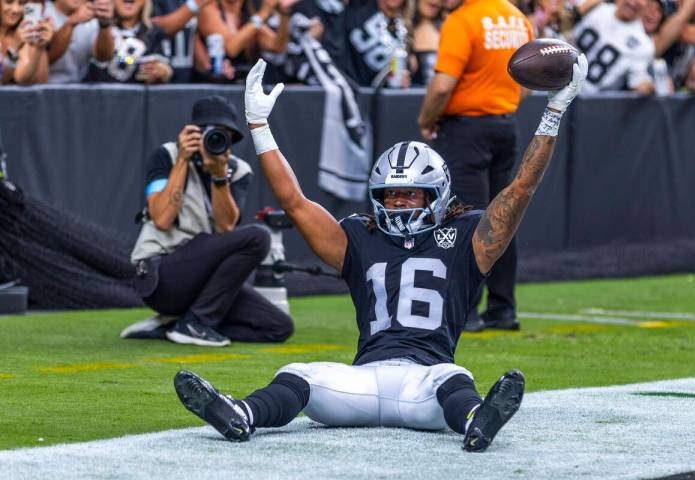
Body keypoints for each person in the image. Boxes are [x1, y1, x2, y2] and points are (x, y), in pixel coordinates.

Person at [173, 56, 587, 451]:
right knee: (299, 374)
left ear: (438, 196)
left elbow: (520, 189)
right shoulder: (358, 236)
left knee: (452, 378)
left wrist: (553, 111)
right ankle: (241, 412)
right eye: (389, 194)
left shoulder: (467, 238)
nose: (399, 203)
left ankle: (478, 418)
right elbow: (295, 202)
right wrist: (259, 126)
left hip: (425, 386)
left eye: (411, 194)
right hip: (360, 380)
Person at [123, 95, 294, 347]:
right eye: (209, 132)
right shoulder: (167, 156)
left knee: (278, 327)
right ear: (192, 132)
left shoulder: (237, 170)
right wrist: (183, 159)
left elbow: (225, 229)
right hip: (160, 275)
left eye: (223, 135)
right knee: (258, 236)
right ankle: (195, 324)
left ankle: (181, 323)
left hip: (202, 278)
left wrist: (218, 175)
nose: (214, 140)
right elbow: (161, 219)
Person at [417, 0, 533, 332]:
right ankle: (503, 308)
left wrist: (427, 119)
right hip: (504, 124)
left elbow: (442, 85)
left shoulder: (462, 20)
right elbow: (525, 83)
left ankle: (465, 311)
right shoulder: (516, 17)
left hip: (465, 128)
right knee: (502, 217)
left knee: (465, 220)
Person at [572, 0, 655, 94]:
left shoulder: (644, 45)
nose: (635, 1)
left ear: (647, 4)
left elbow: (637, 81)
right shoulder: (596, 7)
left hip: (585, 99)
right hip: (557, 77)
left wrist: (650, 87)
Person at [86, 0, 173, 83]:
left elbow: (166, 69)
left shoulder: (154, 32)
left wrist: (162, 72)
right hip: (101, 95)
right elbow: (102, 56)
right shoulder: (94, 25)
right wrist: (104, 24)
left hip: (139, 96)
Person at [45, 0, 115, 83]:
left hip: (78, 89)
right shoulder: (42, 10)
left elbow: (103, 57)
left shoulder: (91, 16)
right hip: (41, 88)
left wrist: (104, 24)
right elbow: (48, 58)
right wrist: (70, 23)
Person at [1, 0, 53, 85]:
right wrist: (14, 47)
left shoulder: (23, 35)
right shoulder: (19, 38)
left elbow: (23, 80)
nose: (16, 10)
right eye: (9, 2)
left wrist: (39, 47)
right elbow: (3, 80)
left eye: (21, 3)